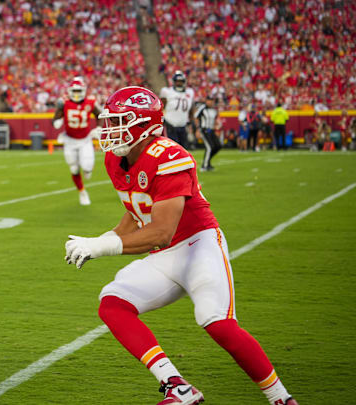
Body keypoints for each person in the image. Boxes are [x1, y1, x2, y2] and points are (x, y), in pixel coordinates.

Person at [64, 86, 298, 405]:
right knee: (113, 303)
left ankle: (281, 398)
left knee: (217, 322)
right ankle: (177, 386)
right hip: (165, 256)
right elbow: (136, 212)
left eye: (119, 122)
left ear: (145, 125)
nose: (110, 129)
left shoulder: (170, 156)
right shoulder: (114, 159)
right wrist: (102, 239)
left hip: (198, 245)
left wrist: (102, 247)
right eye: (109, 121)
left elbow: (161, 230)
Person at [52, 76, 102, 206]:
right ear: (69, 91)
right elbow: (55, 117)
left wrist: (99, 128)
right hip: (69, 140)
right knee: (74, 168)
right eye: (74, 91)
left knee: (87, 167)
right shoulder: (63, 102)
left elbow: (99, 115)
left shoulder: (90, 102)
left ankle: (86, 170)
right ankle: (82, 192)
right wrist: (57, 121)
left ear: (84, 90)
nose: (76, 94)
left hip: (85, 139)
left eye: (78, 91)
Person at [159, 71, 194, 148]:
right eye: (177, 81)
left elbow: (191, 109)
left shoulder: (190, 92)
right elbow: (161, 107)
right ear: (174, 82)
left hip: (183, 125)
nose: (179, 83)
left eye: (181, 81)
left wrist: (191, 123)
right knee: (172, 148)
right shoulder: (167, 91)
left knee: (183, 149)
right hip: (170, 125)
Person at [193, 97, 220, 171]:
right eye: (209, 101)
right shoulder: (202, 108)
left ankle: (207, 161)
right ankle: (204, 166)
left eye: (211, 101)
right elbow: (196, 118)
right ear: (206, 101)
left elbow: (215, 120)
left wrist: (216, 127)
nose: (210, 102)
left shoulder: (214, 110)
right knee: (210, 147)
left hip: (211, 130)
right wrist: (197, 129)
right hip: (204, 130)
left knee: (218, 146)